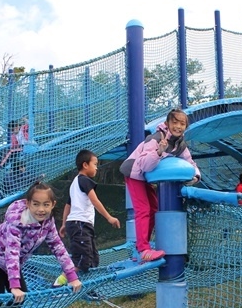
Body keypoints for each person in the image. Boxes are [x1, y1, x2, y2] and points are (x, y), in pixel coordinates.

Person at [120, 108, 200, 262]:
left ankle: (142, 247)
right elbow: (143, 165)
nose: (178, 126)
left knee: (154, 208)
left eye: (182, 124)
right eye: (174, 122)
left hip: (145, 178)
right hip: (134, 173)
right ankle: (143, 249)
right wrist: (158, 152)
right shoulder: (156, 138)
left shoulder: (180, 145)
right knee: (143, 209)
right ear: (167, 123)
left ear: (185, 127)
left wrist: (196, 175)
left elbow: (190, 162)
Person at [53, 150, 121, 291]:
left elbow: (68, 205)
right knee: (82, 259)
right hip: (80, 224)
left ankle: (89, 288)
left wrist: (64, 224)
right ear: (85, 165)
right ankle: (59, 283)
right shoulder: (84, 180)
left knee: (93, 258)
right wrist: (109, 217)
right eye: (95, 164)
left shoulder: (75, 183)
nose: (97, 167)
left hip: (78, 224)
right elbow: (95, 200)